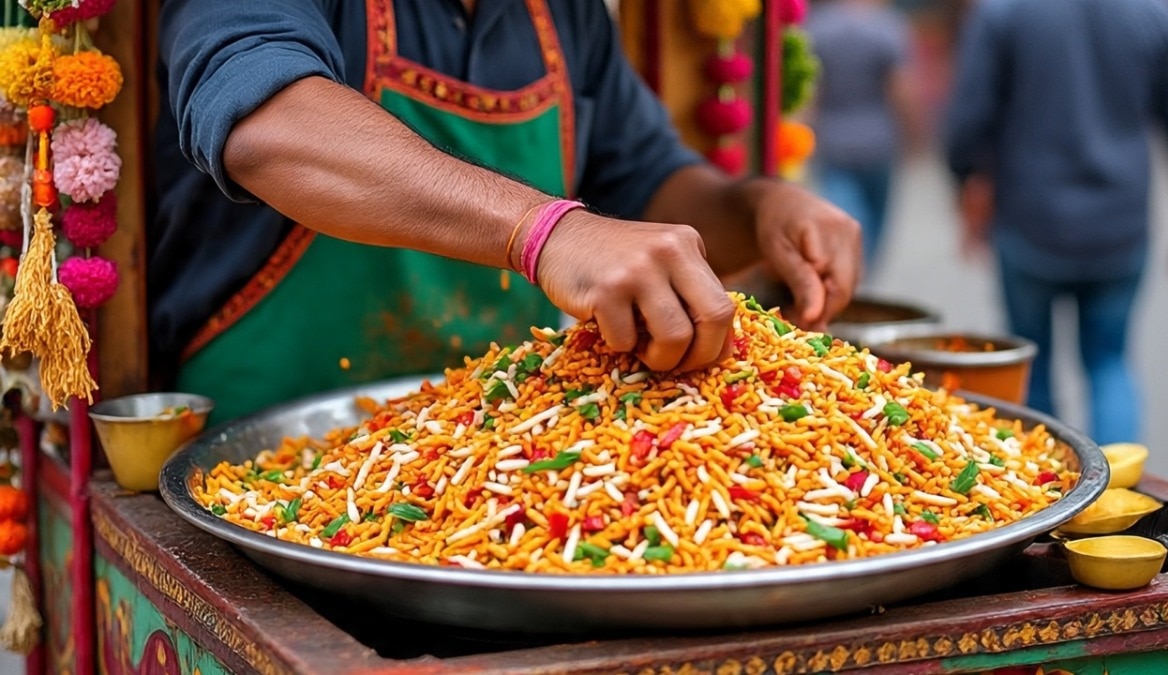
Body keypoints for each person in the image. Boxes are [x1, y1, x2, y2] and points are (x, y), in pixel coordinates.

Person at [151, 0, 861, 424]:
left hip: (484, 443)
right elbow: (266, 124)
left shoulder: (560, 13)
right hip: (260, 455)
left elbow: (648, 179)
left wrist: (761, 206)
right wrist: (544, 231)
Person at [945, 0, 1168, 444]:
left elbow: (970, 114)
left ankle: (1052, 494)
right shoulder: (1158, 14)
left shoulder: (1003, 12)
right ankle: (1119, 495)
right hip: (1119, 226)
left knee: (1032, 365)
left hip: (1029, 221)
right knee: (1110, 361)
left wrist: (967, 178)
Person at [807, 0, 921, 275]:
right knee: (875, 220)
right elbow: (901, 91)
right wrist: (915, 136)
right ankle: (857, 276)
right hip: (878, 140)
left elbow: (812, 94)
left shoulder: (819, 27)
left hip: (833, 139)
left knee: (843, 214)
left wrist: (804, 137)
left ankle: (846, 273)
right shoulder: (887, 26)